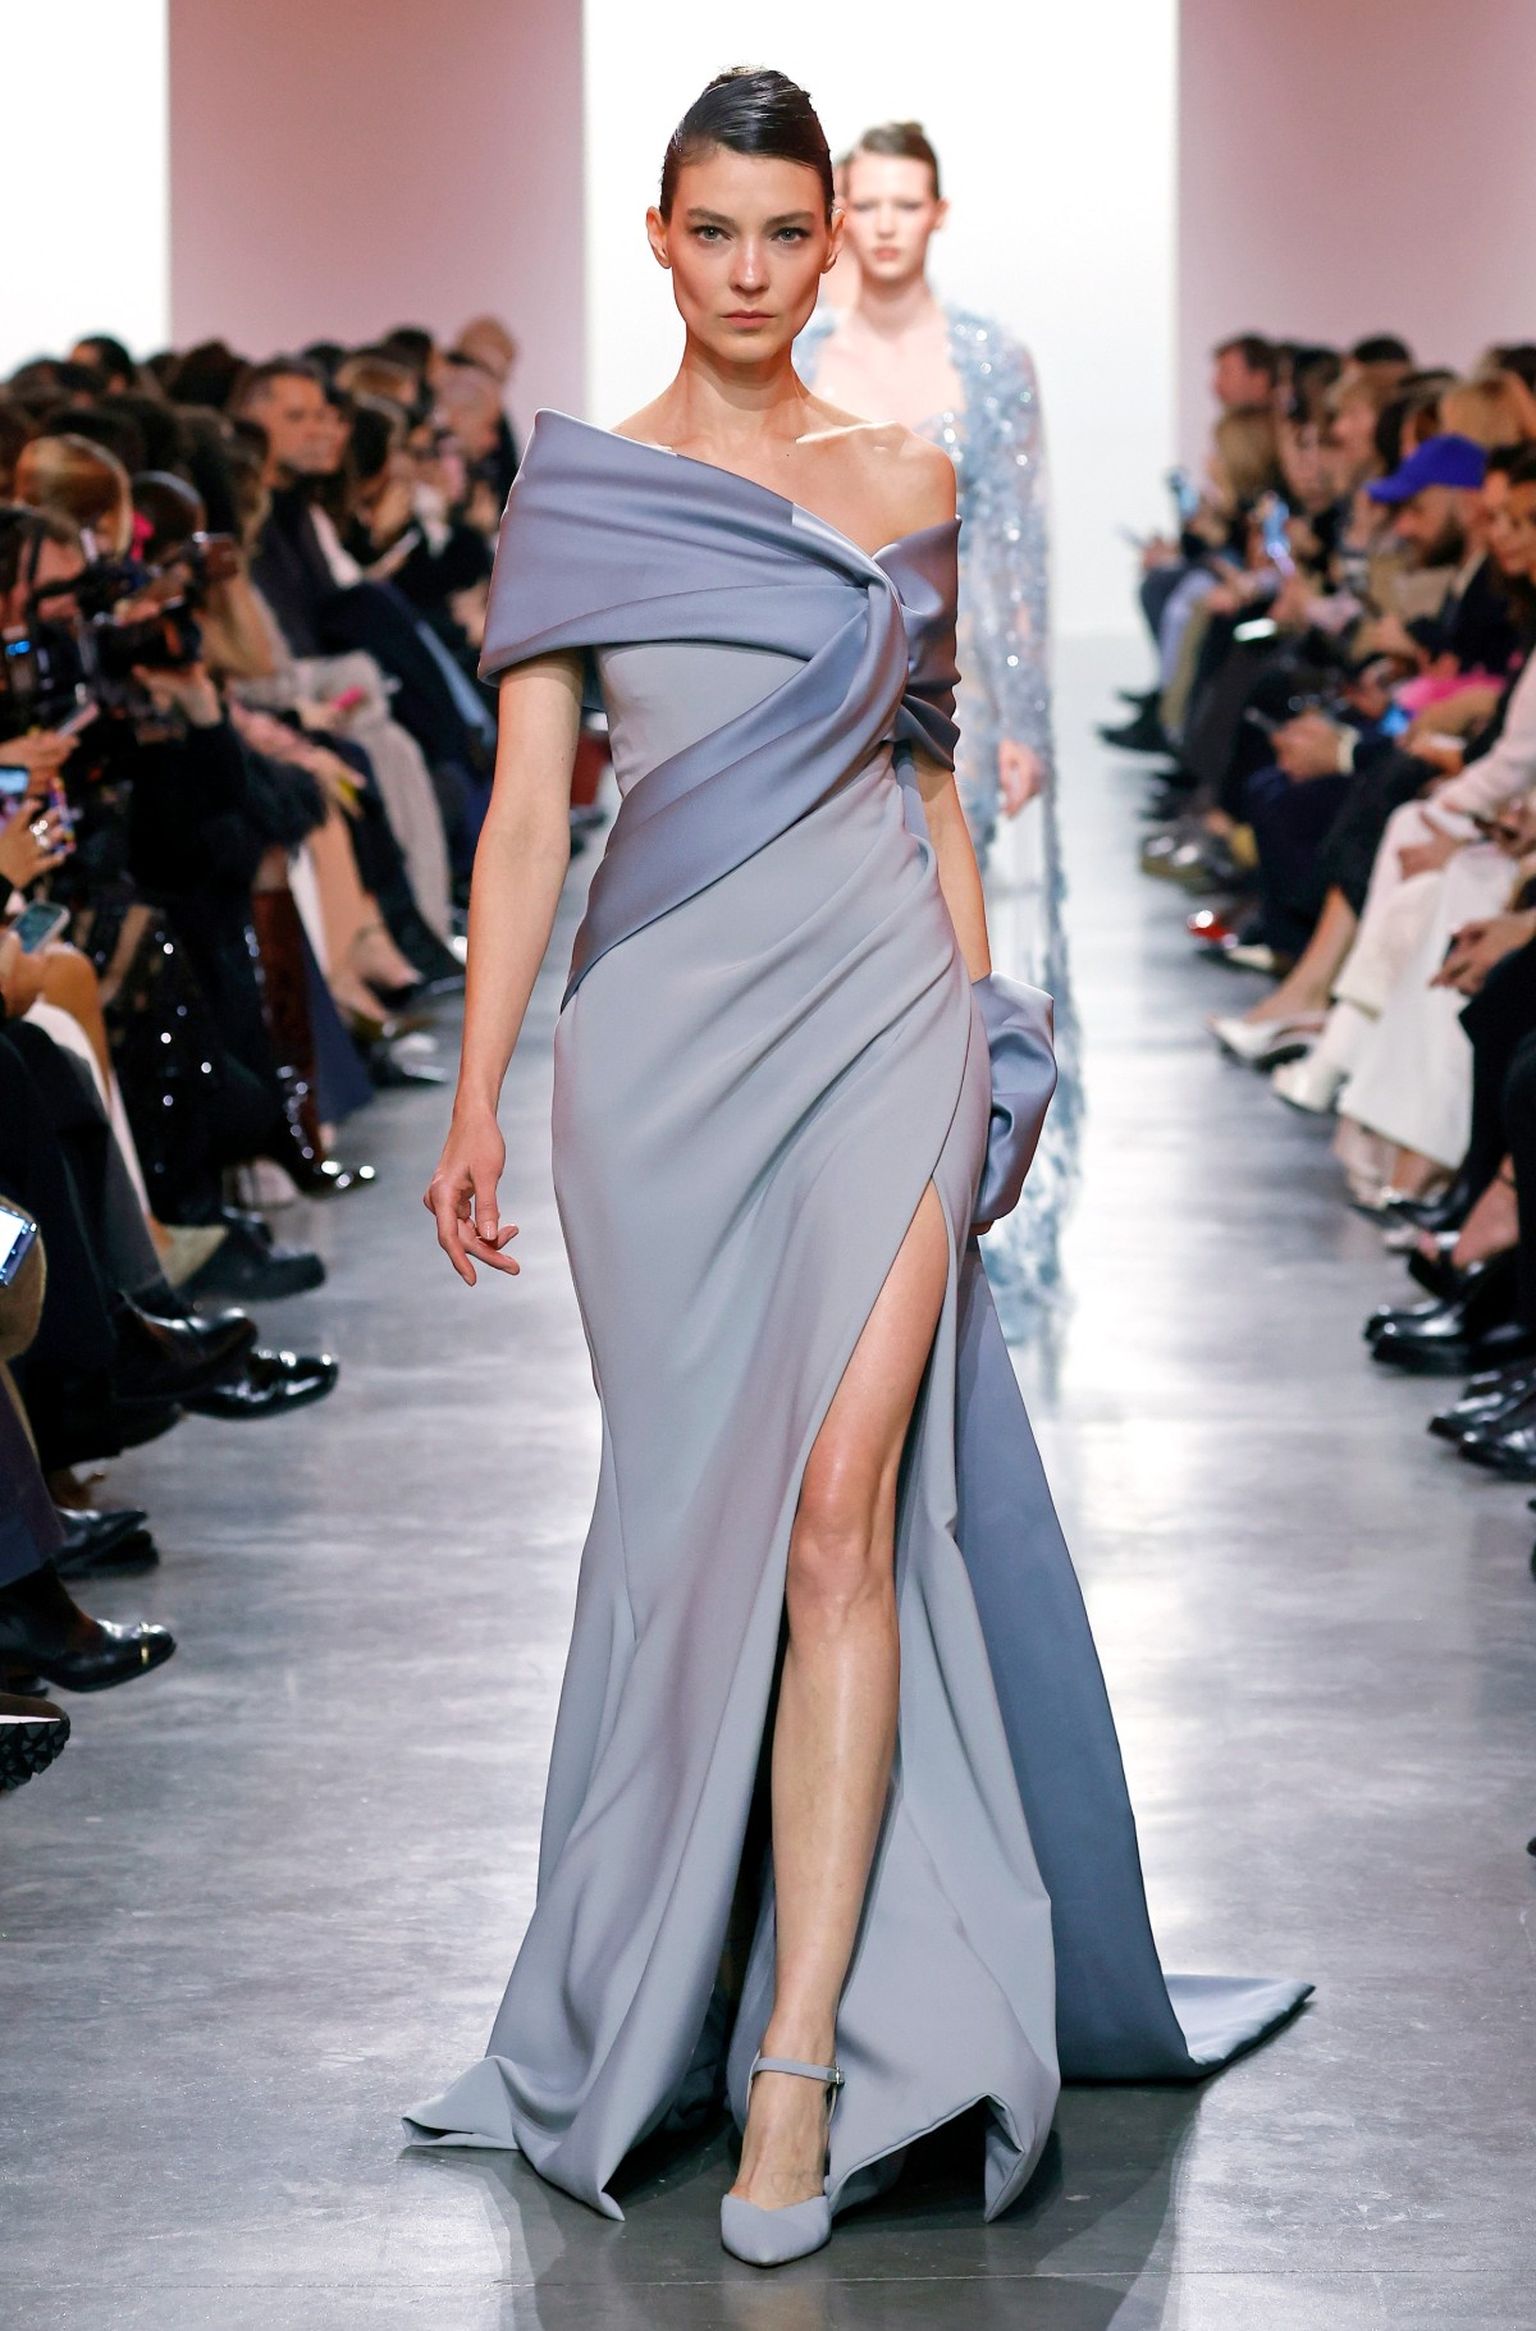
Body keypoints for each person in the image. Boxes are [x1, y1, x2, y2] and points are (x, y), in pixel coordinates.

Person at [405, 66, 1305, 2269]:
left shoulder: (909, 473)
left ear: (835, 242)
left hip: (884, 1014)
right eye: (710, 229)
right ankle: (673, 1979)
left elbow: (925, 786)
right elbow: (527, 815)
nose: (747, 270)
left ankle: (801, 2057)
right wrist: (476, 1087)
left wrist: (989, 1034)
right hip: (657, 1052)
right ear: (657, 236)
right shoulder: (578, 489)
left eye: (782, 232)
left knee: (841, 1511)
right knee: (688, 1526)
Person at [793, 119, 1077, 1319]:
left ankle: (955, 1204)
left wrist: (1025, 721)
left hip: (954, 692)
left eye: (907, 203)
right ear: (841, 215)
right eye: (868, 203)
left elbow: (1016, 551)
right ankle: (850, 1208)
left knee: (955, 950)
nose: (887, 225)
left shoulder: (992, 361)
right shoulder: (803, 351)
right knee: (837, 945)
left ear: (939, 214)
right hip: (820, 688)